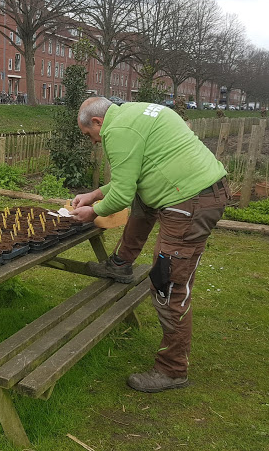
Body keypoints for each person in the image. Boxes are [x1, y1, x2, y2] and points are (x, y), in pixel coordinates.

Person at [70, 97, 230, 393]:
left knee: (167, 282)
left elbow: (120, 196)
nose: (93, 142)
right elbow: (131, 180)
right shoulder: (134, 113)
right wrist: (94, 194)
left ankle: (172, 370)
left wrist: (92, 212)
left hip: (189, 202)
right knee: (143, 201)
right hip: (196, 192)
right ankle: (120, 264)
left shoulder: (117, 131)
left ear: (97, 122)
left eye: (88, 135)